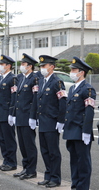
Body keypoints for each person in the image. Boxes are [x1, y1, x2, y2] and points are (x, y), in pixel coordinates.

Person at [32, 55, 66, 188]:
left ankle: (55, 178)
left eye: (44, 66)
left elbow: (62, 103)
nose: (42, 69)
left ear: (52, 67)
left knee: (53, 152)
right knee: (45, 151)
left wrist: (60, 121)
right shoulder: (41, 81)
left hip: (52, 122)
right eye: (41, 66)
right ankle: (48, 175)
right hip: (43, 122)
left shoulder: (57, 82)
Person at [63, 56, 96, 190]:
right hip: (71, 130)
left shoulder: (88, 89)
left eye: (74, 70)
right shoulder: (72, 89)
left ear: (82, 72)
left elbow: (89, 112)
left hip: (80, 130)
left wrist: (86, 132)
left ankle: (83, 187)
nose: (72, 72)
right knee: (74, 161)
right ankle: (75, 185)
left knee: (83, 162)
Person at [11, 53, 39, 180]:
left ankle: (31, 170)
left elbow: (35, 99)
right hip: (20, 116)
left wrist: (33, 117)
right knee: (22, 144)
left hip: (28, 117)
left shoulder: (34, 79)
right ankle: (25, 167)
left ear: (30, 66)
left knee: (29, 144)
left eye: (23, 64)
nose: (21, 66)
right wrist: (13, 114)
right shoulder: (21, 78)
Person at [0, 55, 17, 171]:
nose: (0, 66)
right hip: (0, 113)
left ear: (8, 66)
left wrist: (11, 113)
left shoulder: (12, 79)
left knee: (9, 139)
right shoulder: (1, 78)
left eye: (2, 65)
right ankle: (5, 160)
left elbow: (13, 97)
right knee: (2, 139)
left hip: (7, 113)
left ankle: (12, 162)